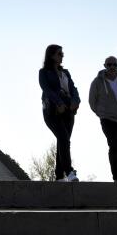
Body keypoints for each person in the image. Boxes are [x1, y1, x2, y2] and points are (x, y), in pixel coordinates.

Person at [39, 44, 81, 182]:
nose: (62, 56)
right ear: (51, 55)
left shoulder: (66, 73)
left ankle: (59, 175)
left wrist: (76, 101)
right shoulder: (44, 72)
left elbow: (73, 88)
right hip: (53, 112)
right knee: (63, 139)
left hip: (69, 112)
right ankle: (69, 171)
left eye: (62, 54)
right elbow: (47, 90)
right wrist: (59, 103)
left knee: (63, 141)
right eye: (59, 54)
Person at [88, 56, 117, 182]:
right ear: (105, 65)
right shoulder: (97, 82)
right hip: (107, 119)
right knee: (114, 146)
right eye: (109, 65)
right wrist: (101, 113)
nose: (112, 67)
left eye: (115, 65)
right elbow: (92, 100)